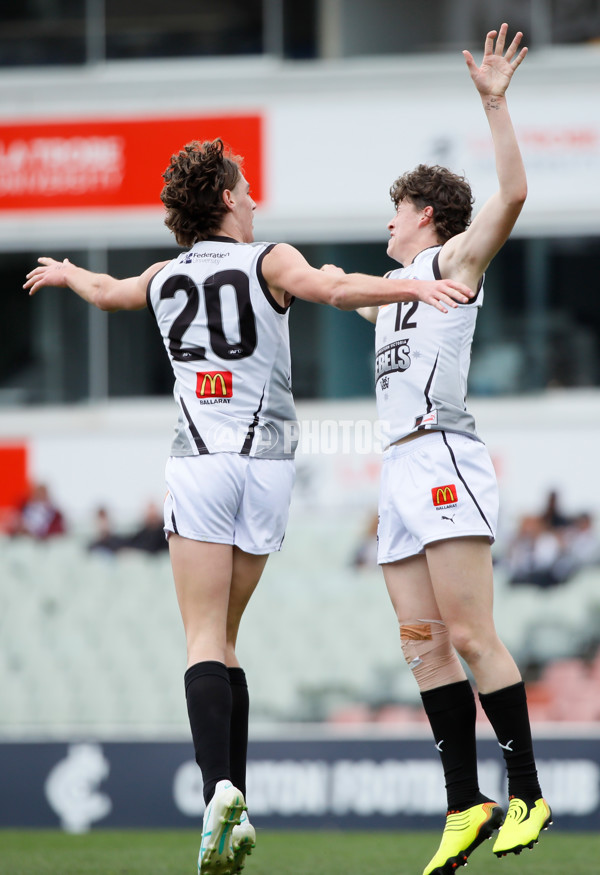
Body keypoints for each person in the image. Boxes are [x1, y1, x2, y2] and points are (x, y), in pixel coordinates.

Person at [24, 138, 472, 874]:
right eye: (247, 185)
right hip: (266, 466)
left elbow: (109, 293)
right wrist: (412, 288)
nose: (255, 194)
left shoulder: (165, 274)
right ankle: (232, 807)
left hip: (198, 459)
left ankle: (219, 791)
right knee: (229, 636)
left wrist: (73, 273)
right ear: (228, 199)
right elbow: (335, 290)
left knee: (203, 636)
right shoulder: (270, 261)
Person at [354, 24, 551, 875]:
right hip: (397, 466)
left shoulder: (454, 262)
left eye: (395, 210)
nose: (386, 222)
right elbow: (331, 290)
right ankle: (464, 802)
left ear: (425, 217)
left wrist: (496, 104)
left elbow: (512, 195)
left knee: (472, 634)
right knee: (422, 642)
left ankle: (530, 791)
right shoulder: (392, 290)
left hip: (443, 459)